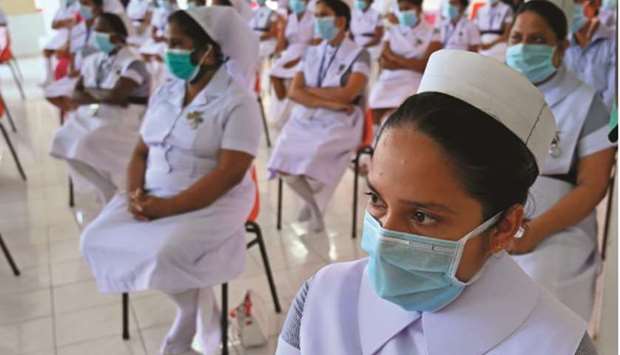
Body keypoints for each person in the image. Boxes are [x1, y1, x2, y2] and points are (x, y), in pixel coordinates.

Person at [275, 49, 597, 355]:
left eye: (422, 216)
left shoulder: (558, 345)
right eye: (377, 200)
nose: (385, 238)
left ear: (504, 227)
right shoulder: (322, 301)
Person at [79, 7, 261, 355]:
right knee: (93, 238)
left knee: (166, 253)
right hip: (153, 191)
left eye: (178, 44)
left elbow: (229, 174)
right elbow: (140, 153)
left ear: (209, 50)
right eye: (168, 42)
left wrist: (168, 207)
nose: (169, 51)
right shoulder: (167, 90)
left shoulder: (239, 102)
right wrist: (135, 195)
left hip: (213, 199)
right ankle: (198, 311)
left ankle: (185, 325)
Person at [505, 0, 615, 321]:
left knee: (540, 288)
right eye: (517, 38)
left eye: (537, 40)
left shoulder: (586, 103)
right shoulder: (493, 95)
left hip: (557, 226)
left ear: (562, 46)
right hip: (493, 215)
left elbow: (593, 185)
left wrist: (534, 231)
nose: (524, 48)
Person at [267, 0, 369, 234]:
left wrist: (309, 90)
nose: (318, 20)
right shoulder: (311, 52)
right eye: (316, 15)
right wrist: (325, 99)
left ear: (341, 21)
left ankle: (314, 205)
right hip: (308, 115)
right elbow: (293, 92)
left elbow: (348, 94)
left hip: (343, 120)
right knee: (282, 159)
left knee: (315, 154)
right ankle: (314, 205)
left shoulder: (359, 54)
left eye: (323, 15)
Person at [49, 12, 150, 204]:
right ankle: (105, 188)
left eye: (100, 31)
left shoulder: (133, 63)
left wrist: (95, 93)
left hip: (128, 119)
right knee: (62, 137)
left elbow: (116, 95)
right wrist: (101, 94)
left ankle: (113, 192)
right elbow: (77, 93)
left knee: (86, 142)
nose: (95, 34)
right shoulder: (96, 59)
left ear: (115, 36)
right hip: (100, 113)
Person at [368, 0, 441, 126]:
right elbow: (384, 61)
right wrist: (411, 63)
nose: (403, 13)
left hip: (413, 79)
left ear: (418, 8)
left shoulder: (432, 32)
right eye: (401, 10)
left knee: (400, 115)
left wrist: (396, 59)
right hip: (388, 78)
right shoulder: (392, 30)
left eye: (407, 8)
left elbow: (425, 66)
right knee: (373, 108)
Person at [564, 0, 616, 110]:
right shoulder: (561, 44)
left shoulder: (613, 41)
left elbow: (612, 95)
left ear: (595, 4)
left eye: (576, 2)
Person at [269, 0, 315, 101]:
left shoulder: (313, 18)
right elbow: (281, 47)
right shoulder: (289, 18)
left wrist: (300, 59)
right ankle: (283, 104)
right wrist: (282, 27)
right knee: (273, 74)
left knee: (294, 77)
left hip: (307, 52)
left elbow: (316, 43)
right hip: (289, 53)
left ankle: (291, 105)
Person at [41, 0, 80, 86]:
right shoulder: (62, 8)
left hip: (72, 36)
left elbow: (75, 23)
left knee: (61, 53)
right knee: (46, 51)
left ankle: (64, 78)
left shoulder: (80, 5)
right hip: (60, 36)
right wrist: (64, 23)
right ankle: (49, 78)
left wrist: (61, 23)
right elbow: (53, 25)